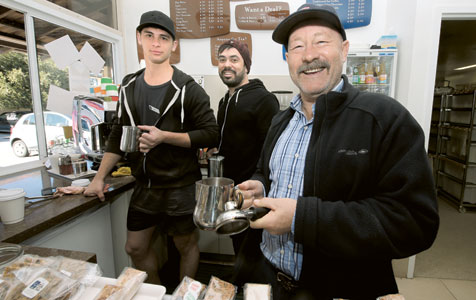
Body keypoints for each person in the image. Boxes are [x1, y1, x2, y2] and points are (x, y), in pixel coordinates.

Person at [234, 4, 439, 299]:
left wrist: (300, 218)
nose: (308, 55)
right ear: (288, 58)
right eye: (297, 46)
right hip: (268, 281)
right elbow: (266, 173)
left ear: (344, 50)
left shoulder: (383, 118)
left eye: (321, 42)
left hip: (339, 289)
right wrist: (260, 185)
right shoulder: (281, 121)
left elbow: (415, 223)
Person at [84, 10, 218, 284]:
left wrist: (164, 137)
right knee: (134, 247)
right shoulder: (128, 86)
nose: (156, 43)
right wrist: (99, 179)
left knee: (186, 246)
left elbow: (211, 134)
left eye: (164, 38)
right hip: (144, 186)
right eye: (149, 36)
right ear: (139, 39)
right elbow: (117, 136)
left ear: (173, 45)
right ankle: (157, 292)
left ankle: (183, 294)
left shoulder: (187, 89)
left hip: (180, 186)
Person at [211, 39, 279, 253]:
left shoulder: (264, 99)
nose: (227, 65)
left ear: (246, 66)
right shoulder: (225, 100)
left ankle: (251, 286)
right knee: (238, 244)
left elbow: (271, 150)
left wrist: (260, 187)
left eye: (234, 59)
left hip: (251, 192)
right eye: (222, 60)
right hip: (229, 189)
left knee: (252, 250)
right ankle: (240, 285)